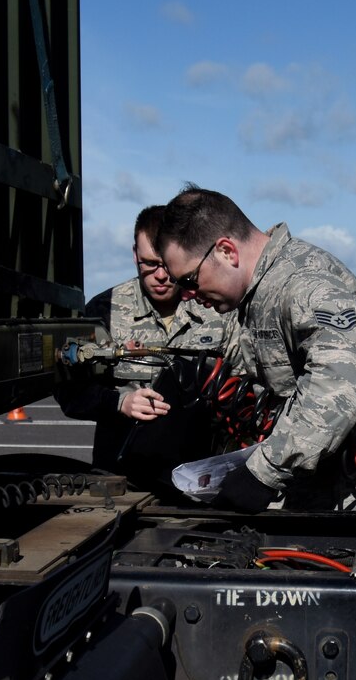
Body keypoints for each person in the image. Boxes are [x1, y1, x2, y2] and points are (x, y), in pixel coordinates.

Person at [153, 186, 356, 511]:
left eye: (189, 280)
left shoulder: (304, 285)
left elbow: (341, 380)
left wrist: (263, 472)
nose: (187, 295)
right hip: (315, 489)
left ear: (227, 251)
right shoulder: (257, 294)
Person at [58, 205, 234, 493]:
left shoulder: (215, 307)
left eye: (167, 264)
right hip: (122, 479)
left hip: (198, 476)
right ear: (134, 256)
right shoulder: (105, 311)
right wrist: (119, 402)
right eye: (149, 263)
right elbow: (69, 393)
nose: (161, 275)